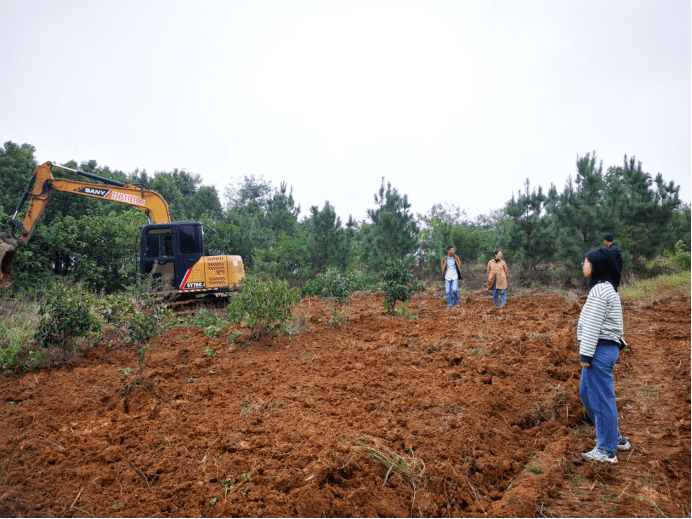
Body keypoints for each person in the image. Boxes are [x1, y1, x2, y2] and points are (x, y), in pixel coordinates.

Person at [578, 248, 630, 463]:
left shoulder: (600, 291)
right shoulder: (608, 288)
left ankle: (606, 449)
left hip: (598, 350)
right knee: (588, 394)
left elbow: (592, 327)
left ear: (596, 266)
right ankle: (615, 437)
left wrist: (586, 355)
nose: (583, 265)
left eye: (586, 262)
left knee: (601, 400)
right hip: (603, 349)